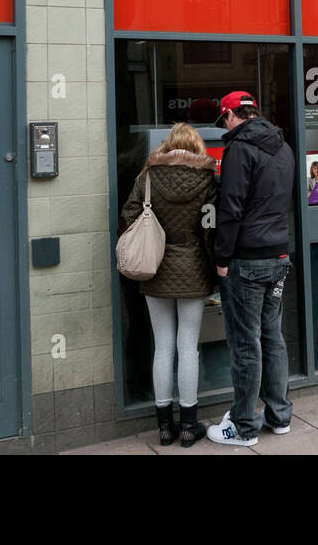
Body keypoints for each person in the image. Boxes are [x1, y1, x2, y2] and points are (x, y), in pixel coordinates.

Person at [120, 122, 218, 448]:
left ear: (168, 144)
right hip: (193, 268)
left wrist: (154, 232)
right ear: (195, 146)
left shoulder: (148, 176)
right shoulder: (205, 178)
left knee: (162, 346)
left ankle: (164, 426)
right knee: (188, 346)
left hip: (156, 267)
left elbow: (129, 213)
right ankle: (189, 426)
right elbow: (210, 226)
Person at [206, 90, 295, 446]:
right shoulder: (283, 147)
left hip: (247, 260)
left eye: (223, 120)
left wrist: (222, 258)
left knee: (245, 342)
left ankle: (242, 426)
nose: (224, 126)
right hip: (278, 257)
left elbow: (230, 208)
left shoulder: (239, 149)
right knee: (272, 336)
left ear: (231, 115)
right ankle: (279, 416)